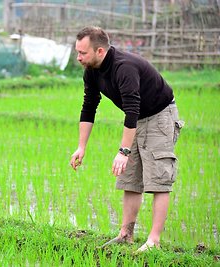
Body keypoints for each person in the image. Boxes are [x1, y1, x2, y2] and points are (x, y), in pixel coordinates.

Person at [70, 26, 183, 252]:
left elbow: (132, 108)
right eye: (77, 52)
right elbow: (89, 106)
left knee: (158, 179)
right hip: (138, 119)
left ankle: (154, 241)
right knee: (130, 178)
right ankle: (126, 234)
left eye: (83, 53)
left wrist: (123, 151)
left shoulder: (124, 67)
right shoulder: (91, 71)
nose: (78, 58)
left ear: (100, 51)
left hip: (160, 116)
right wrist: (81, 147)